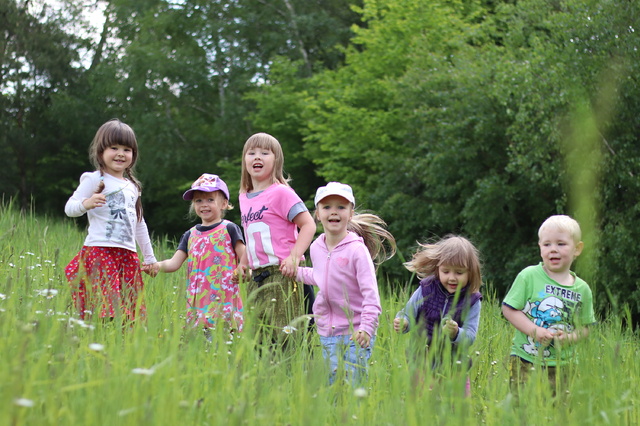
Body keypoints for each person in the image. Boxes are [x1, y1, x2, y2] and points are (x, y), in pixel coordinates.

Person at [297, 182, 396, 385]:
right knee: (332, 385)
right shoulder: (316, 247)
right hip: (327, 331)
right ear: (317, 214)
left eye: (341, 207)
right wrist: (294, 272)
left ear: (350, 213)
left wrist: (367, 328)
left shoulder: (357, 250)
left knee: (352, 384)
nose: (334, 212)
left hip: (356, 332)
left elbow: (371, 294)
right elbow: (319, 276)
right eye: (327, 207)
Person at [65, 119, 157, 322]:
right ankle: (98, 333)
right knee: (108, 306)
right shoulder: (94, 179)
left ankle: (123, 339)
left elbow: (139, 223)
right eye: (114, 148)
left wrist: (149, 258)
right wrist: (87, 203)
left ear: (133, 154)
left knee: (131, 308)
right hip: (101, 250)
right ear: (101, 151)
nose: (120, 154)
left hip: (128, 255)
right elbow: (70, 208)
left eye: (127, 149)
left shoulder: (133, 186)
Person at [238, 132, 316, 346]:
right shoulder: (244, 196)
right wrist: (243, 263)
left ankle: (294, 368)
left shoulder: (281, 192)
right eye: (251, 153)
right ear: (244, 160)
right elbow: (251, 235)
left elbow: (308, 225)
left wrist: (294, 257)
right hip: (257, 277)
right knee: (257, 339)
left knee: (287, 337)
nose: (257, 157)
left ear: (276, 160)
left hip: (282, 273)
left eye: (265, 153)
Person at [502, 215, 596, 392]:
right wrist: (534, 330)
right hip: (525, 359)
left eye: (561, 244)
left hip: (564, 364)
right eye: (547, 244)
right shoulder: (529, 276)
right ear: (540, 248)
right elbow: (508, 309)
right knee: (521, 404)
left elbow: (586, 328)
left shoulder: (582, 289)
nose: (553, 249)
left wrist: (569, 338)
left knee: (559, 406)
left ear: (577, 249)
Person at [145, 174, 246, 334]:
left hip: (224, 298)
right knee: (200, 339)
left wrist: (243, 268)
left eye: (210, 200)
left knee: (225, 337)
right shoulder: (190, 235)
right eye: (198, 200)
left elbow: (244, 255)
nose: (204, 205)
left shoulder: (229, 229)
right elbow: (174, 263)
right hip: (198, 301)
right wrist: (157, 265)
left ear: (224, 204)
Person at [394, 235, 483, 396]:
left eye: (459, 272)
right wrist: (404, 322)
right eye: (445, 271)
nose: (452, 278)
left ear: (471, 273)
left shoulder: (472, 300)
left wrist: (456, 333)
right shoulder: (426, 288)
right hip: (422, 359)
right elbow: (408, 313)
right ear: (438, 268)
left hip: (455, 363)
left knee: (458, 405)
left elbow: (470, 336)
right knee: (422, 402)